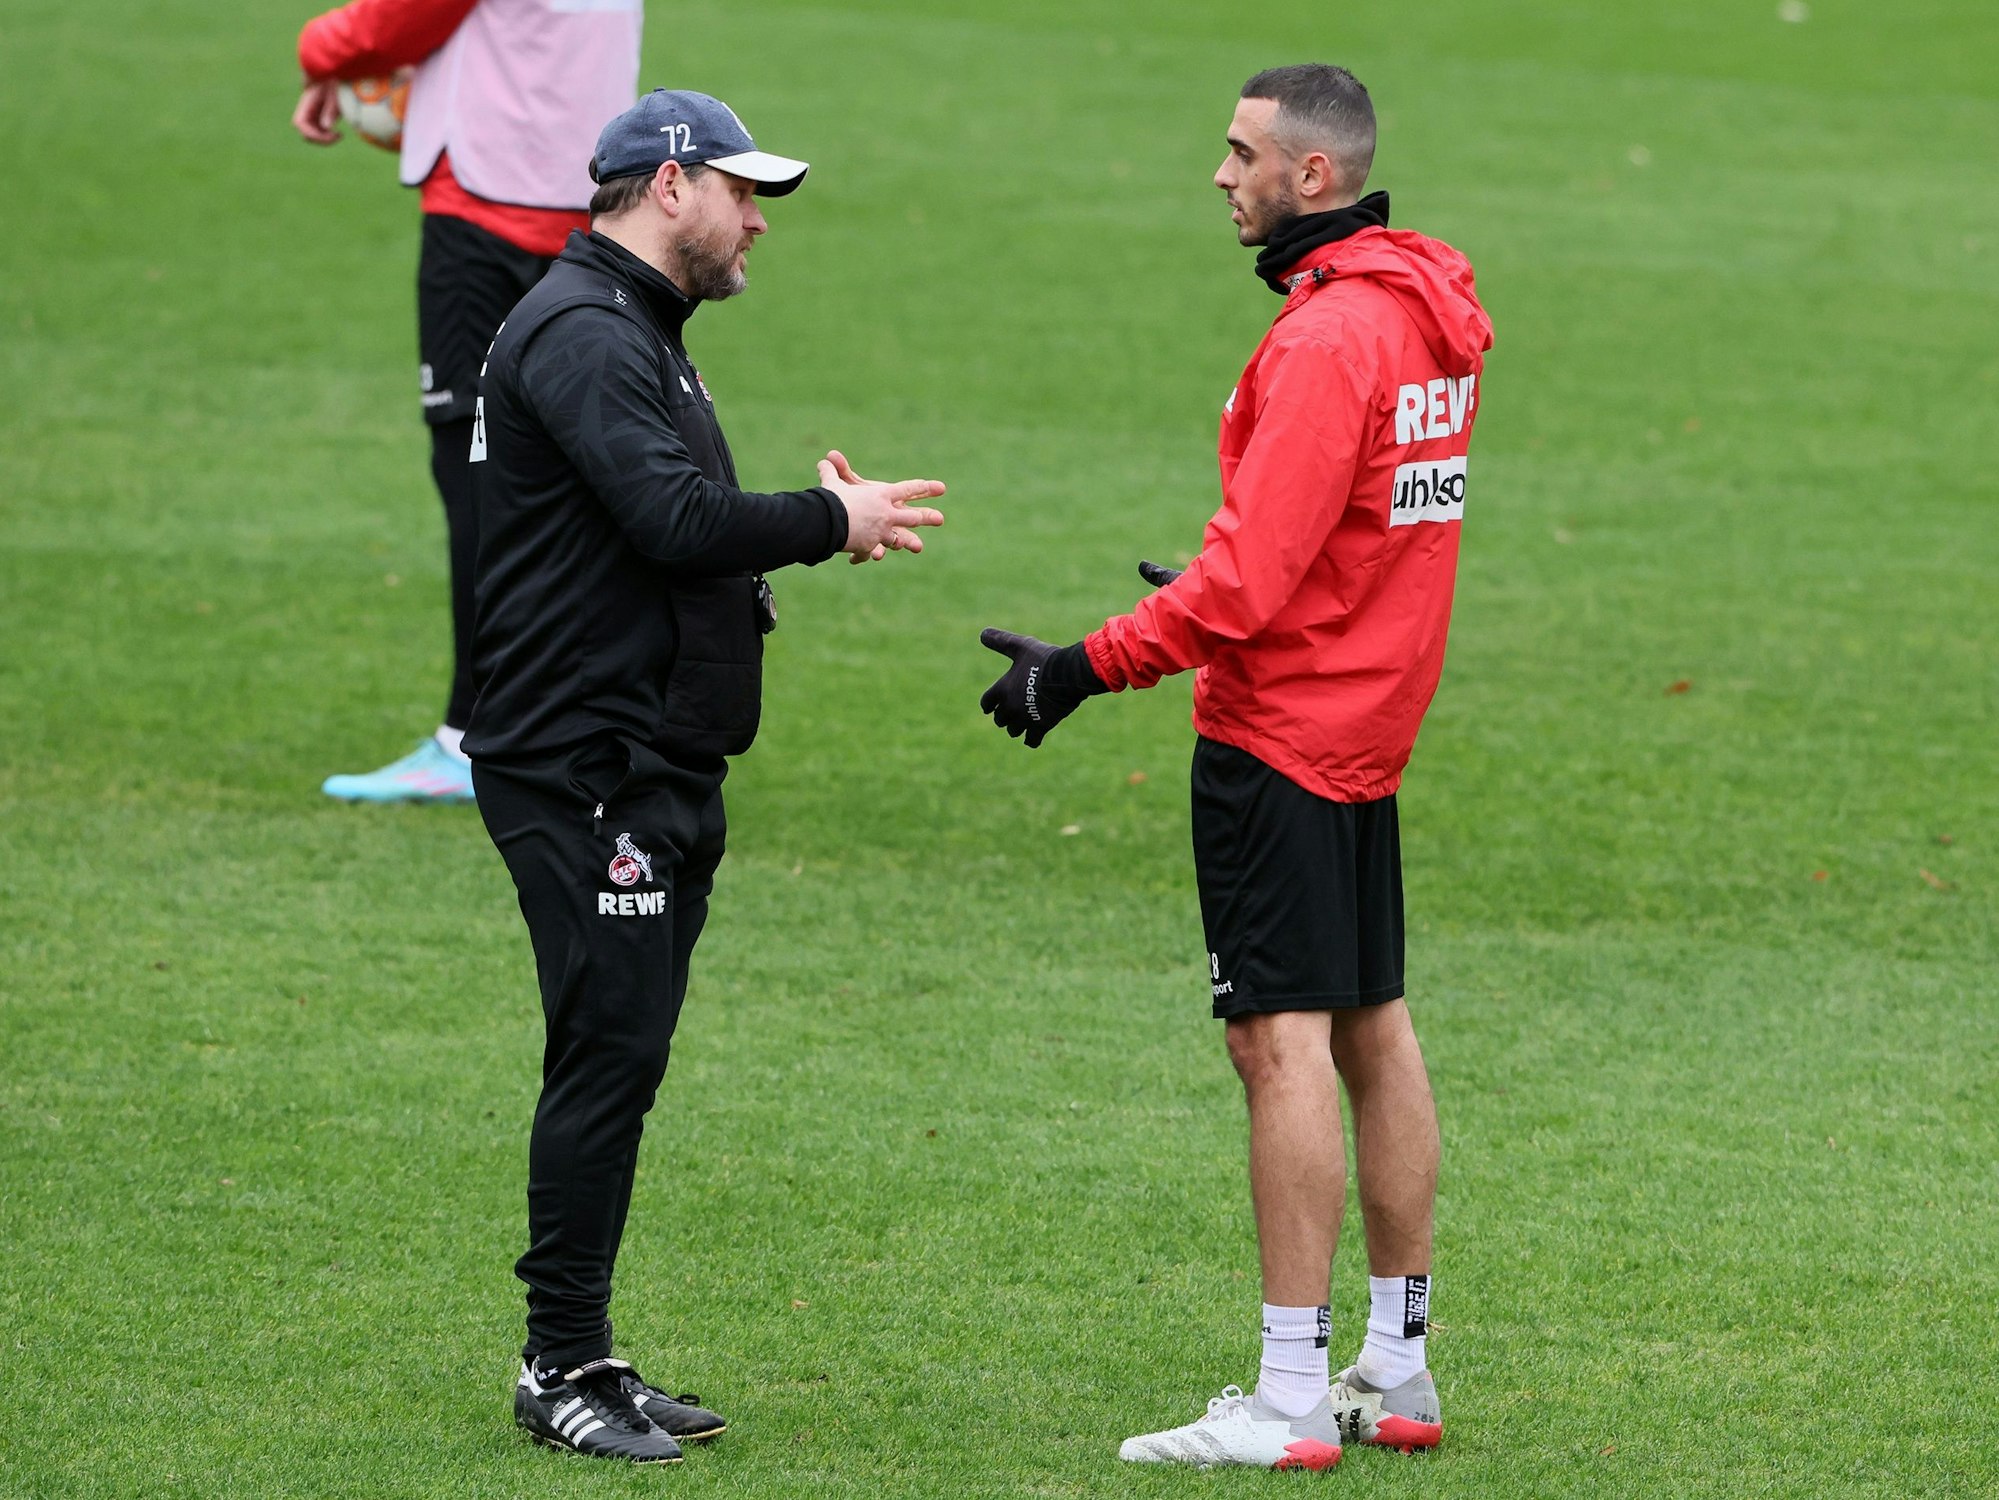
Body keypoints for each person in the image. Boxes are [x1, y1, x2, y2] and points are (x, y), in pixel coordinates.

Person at [978, 64, 1491, 1470]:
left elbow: (1245, 590)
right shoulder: (1421, 316)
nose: (1220, 175)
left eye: (1240, 153)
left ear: (1308, 178)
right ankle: (1396, 1367)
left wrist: (1073, 669)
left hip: (1281, 735)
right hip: (1366, 723)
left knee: (1278, 1046)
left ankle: (1282, 1397)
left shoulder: (1326, 342)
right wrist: (1240, 579)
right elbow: (1371, 525)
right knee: (1372, 1029)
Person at [465, 89, 947, 1464]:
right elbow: (672, 521)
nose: (756, 223)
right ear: (666, 186)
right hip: (587, 763)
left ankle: (582, 1353)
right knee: (604, 1057)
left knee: (619, 1056)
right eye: (743, 195)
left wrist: (800, 541)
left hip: (651, 759)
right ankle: (559, 1364)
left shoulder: (635, 333)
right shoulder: (582, 330)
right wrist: (823, 518)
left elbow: (661, 539)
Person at [292, 0, 642, 803]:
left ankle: (476, 741)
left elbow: (394, 24)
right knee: (602, 479)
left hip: (485, 208)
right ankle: (598, 731)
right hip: (598, 217)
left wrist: (322, 52)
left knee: (479, 483)